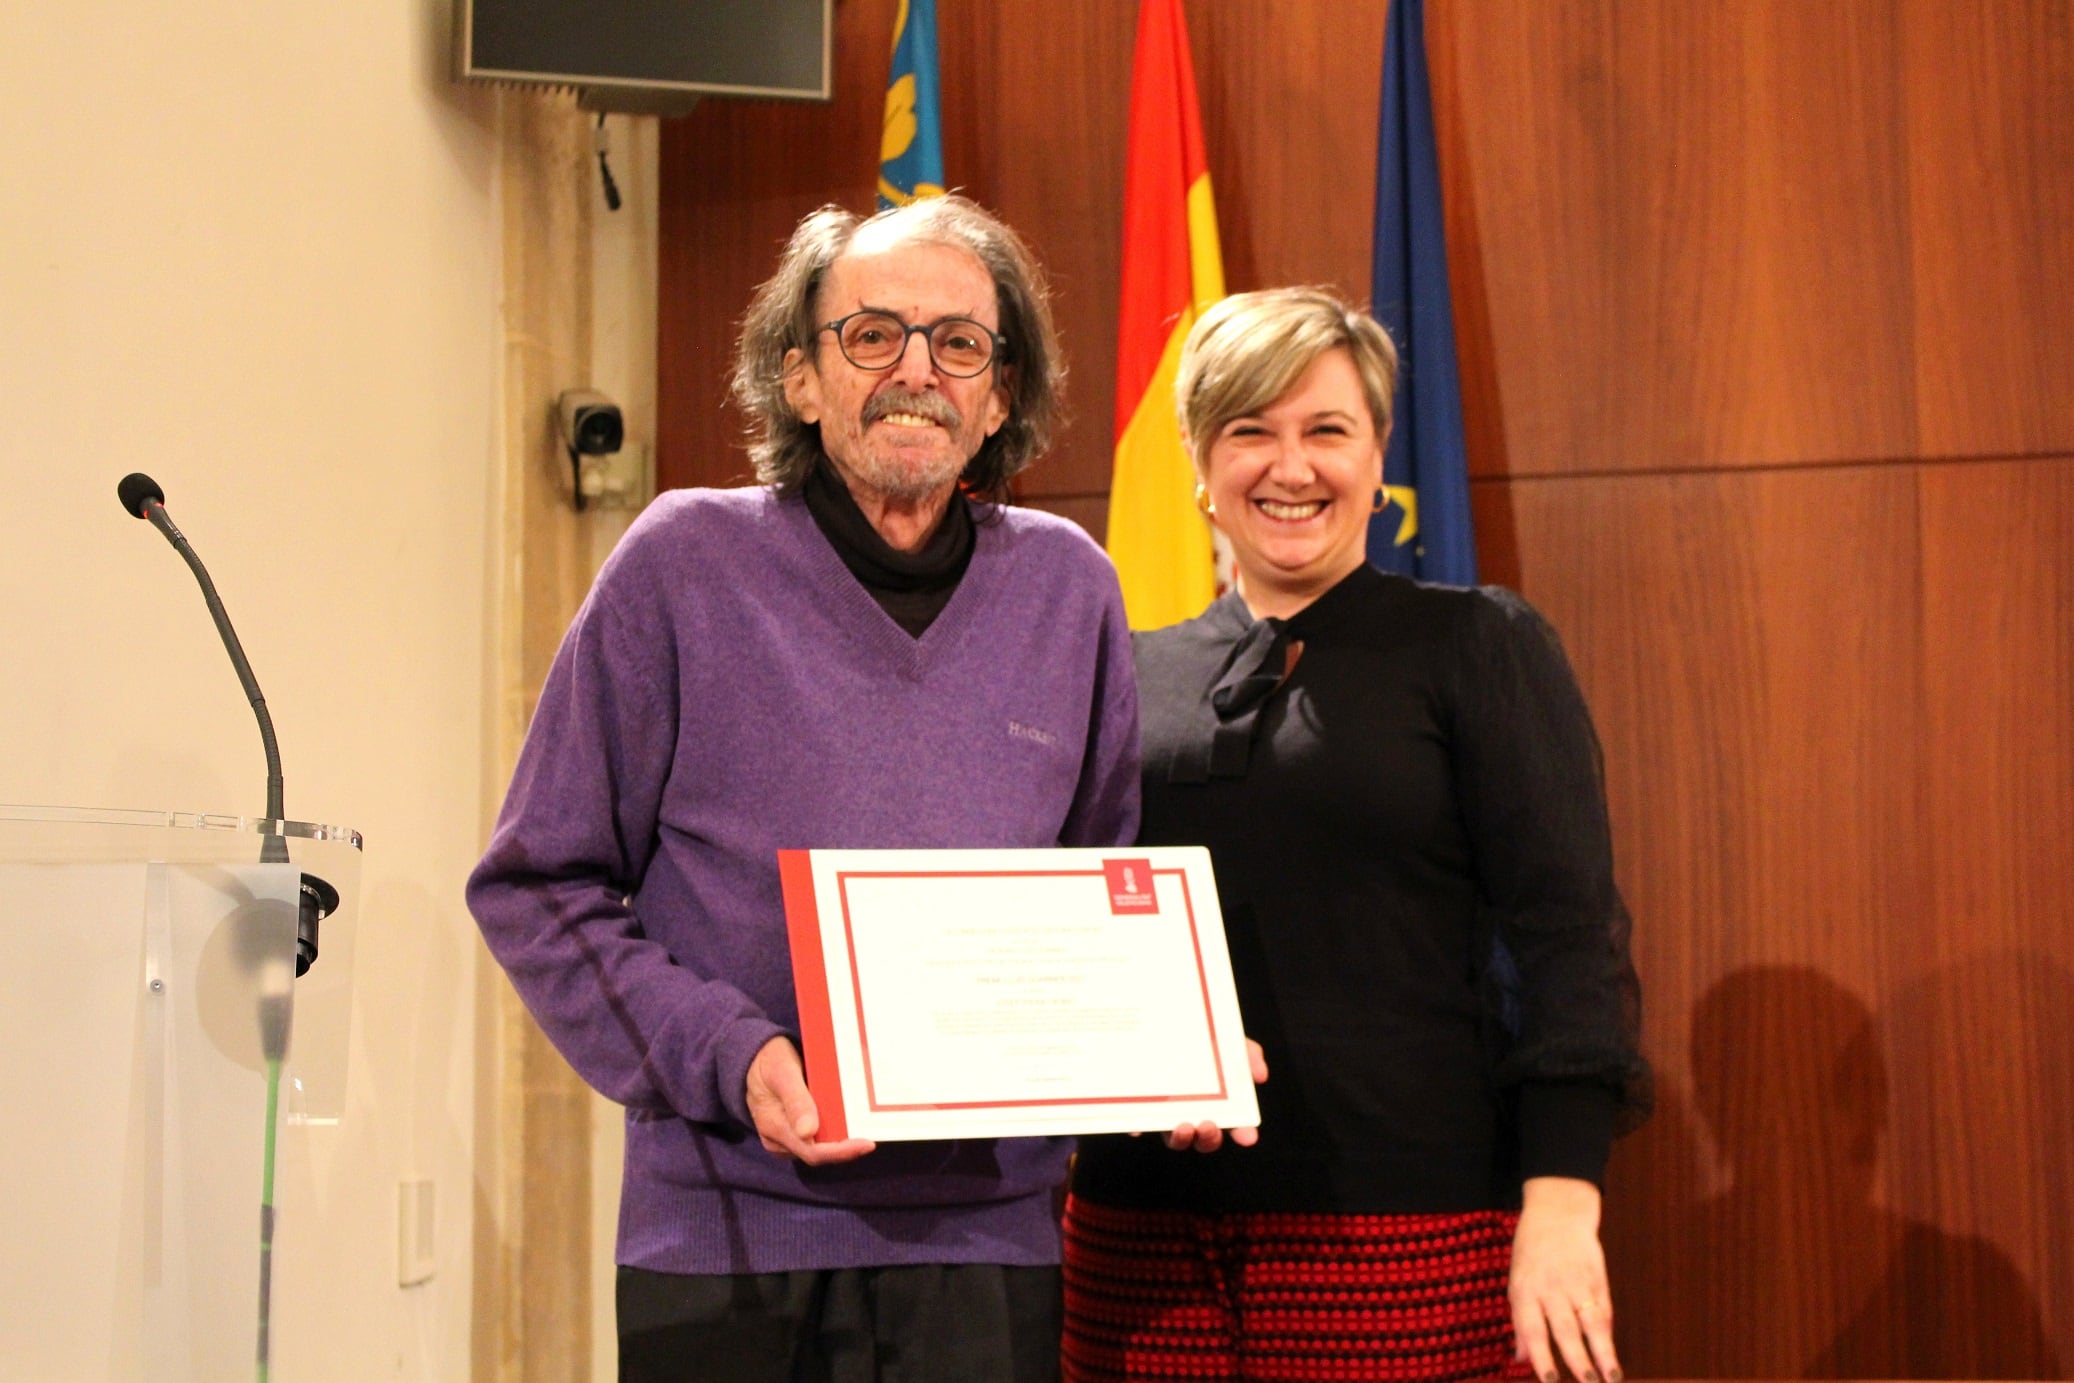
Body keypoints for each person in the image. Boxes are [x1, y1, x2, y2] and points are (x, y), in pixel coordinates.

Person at [467, 195, 1141, 1382]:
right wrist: (729, 1055)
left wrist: (1158, 1041)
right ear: (801, 378)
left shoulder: (1070, 592)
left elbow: (1096, 903)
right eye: (872, 335)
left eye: (959, 344)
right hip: (725, 1230)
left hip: (987, 1245)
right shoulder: (682, 564)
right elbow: (537, 883)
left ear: (999, 393)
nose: (915, 372)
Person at [1063, 288, 1650, 1383]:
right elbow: (1061, 931)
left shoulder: (1477, 645)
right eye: (1251, 431)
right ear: (1198, 464)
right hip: (1138, 1244)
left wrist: (1562, 1205)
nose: (1291, 467)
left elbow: (1568, 936)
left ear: (1377, 458)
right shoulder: (1114, 671)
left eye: (1325, 431)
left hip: (1403, 1241)